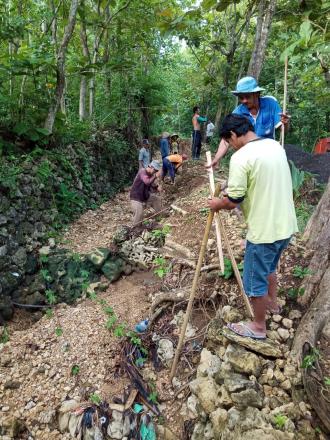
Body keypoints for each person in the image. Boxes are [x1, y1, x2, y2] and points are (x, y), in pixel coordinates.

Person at [208, 114, 298, 339]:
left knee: (254, 279)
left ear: (232, 135)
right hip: (285, 225)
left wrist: (217, 203)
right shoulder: (275, 146)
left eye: (228, 142)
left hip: (264, 232)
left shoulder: (241, 157)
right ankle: (273, 305)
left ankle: (258, 327)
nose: (230, 146)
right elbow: (262, 177)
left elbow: (233, 201)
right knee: (270, 268)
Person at [209, 76, 291, 168]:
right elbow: (227, 139)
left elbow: (283, 130)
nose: (244, 100)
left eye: (247, 97)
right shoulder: (238, 112)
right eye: (241, 97)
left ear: (256, 94)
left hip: (269, 155)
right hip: (248, 157)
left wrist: (286, 123)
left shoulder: (271, 104)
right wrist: (217, 158)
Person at [130, 160, 162, 226]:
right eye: (155, 170)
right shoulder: (142, 171)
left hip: (145, 196)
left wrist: (157, 188)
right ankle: (135, 229)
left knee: (156, 199)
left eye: (156, 171)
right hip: (136, 198)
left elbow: (151, 184)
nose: (155, 172)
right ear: (152, 167)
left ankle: (160, 215)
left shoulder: (150, 174)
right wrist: (155, 176)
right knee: (139, 213)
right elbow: (147, 181)